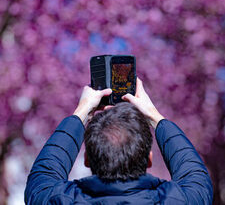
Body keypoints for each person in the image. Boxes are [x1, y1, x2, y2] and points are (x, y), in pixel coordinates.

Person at [25, 78, 213, 204]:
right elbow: (195, 175)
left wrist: (81, 112)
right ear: (149, 159)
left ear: (87, 160)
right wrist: (154, 116)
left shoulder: (60, 199)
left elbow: (43, 176)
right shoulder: (177, 200)